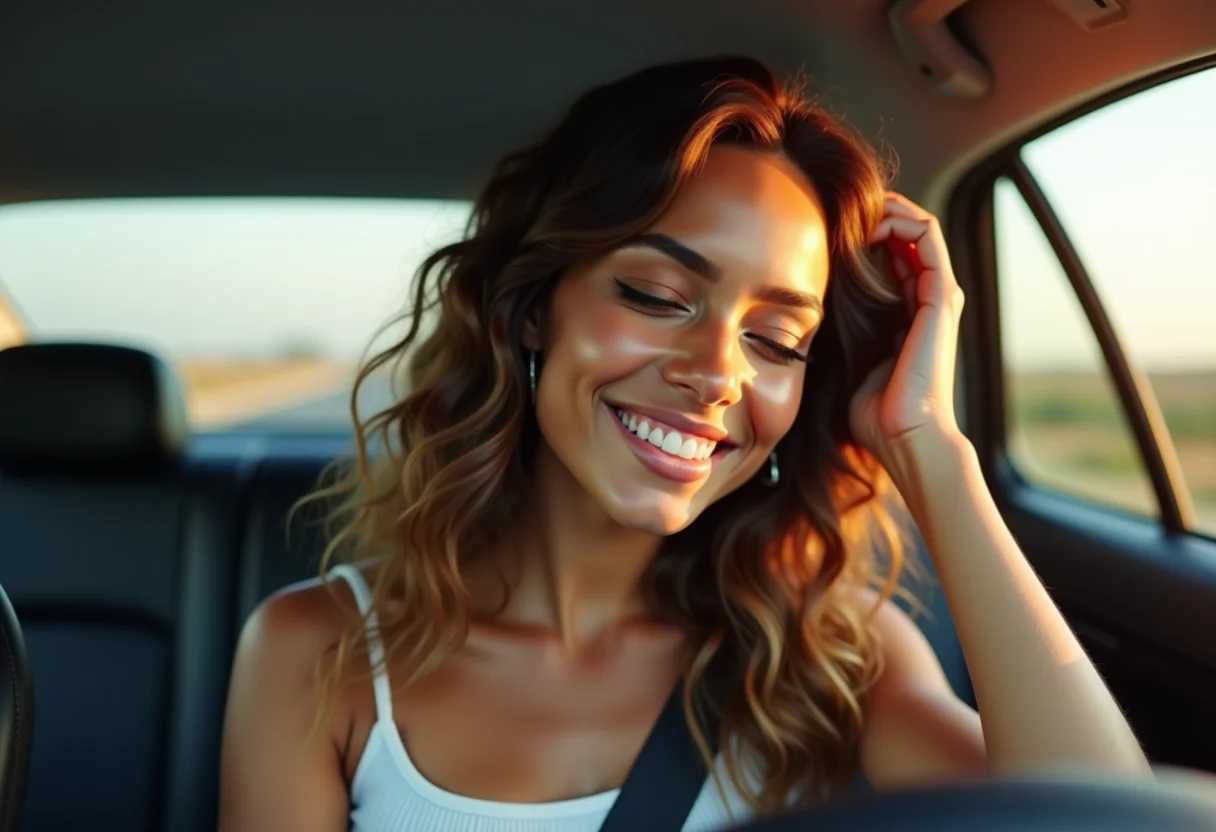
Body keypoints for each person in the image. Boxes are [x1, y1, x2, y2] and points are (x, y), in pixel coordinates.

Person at [218, 56, 1149, 832]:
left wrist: (931, 449)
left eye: (778, 340)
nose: (716, 373)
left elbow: (1101, 822)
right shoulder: (317, 654)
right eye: (658, 297)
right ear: (534, 308)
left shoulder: (834, 654)